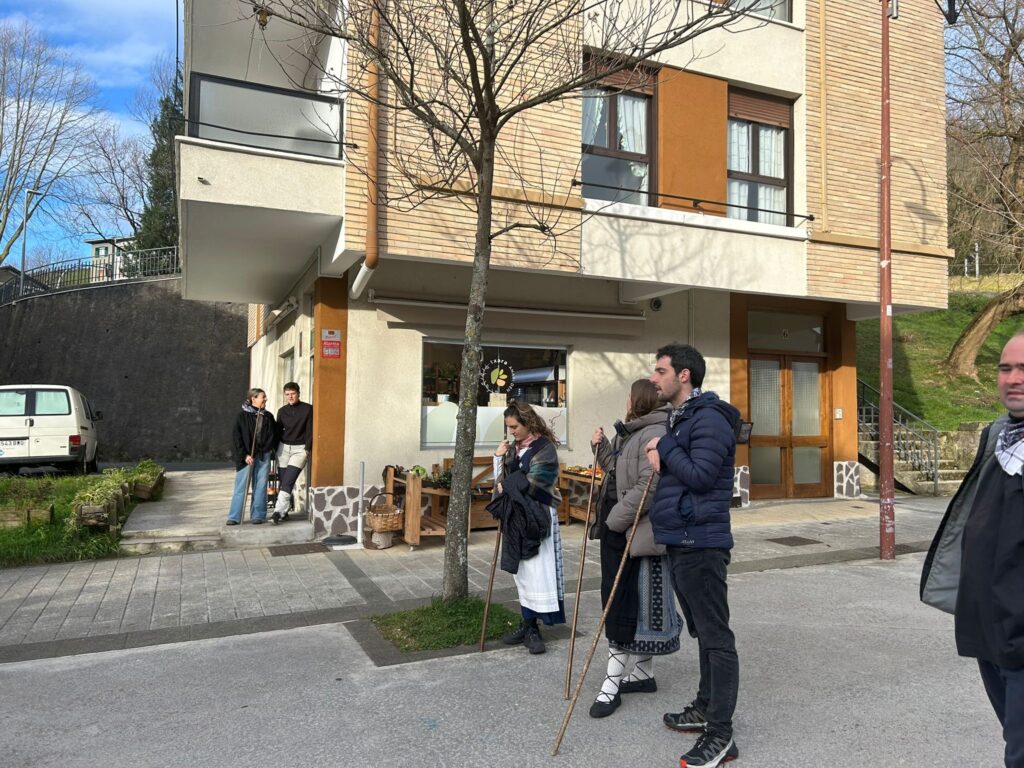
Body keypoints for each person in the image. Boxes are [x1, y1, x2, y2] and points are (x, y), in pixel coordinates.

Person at [921, 330, 1024, 767]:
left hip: (1020, 635)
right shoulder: (999, 437)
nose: (1013, 379)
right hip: (989, 630)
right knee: (1012, 738)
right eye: (1005, 368)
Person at [644, 343, 741, 768]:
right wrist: (666, 449)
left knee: (717, 638)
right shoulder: (682, 418)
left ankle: (721, 734)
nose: (654, 378)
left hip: (702, 543)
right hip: (683, 540)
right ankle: (704, 707)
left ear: (684, 375)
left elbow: (701, 477)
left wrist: (664, 447)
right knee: (703, 633)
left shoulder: (710, 419)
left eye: (661, 371)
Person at [588, 379, 681, 719]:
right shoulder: (630, 431)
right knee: (630, 601)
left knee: (621, 603)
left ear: (638, 400)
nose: (626, 401)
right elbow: (616, 470)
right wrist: (599, 447)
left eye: (630, 396)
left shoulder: (654, 432)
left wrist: (614, 519)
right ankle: (643, 673)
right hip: (621, 528)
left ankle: (611, 686)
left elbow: (649, 486)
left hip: (631, 531)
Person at [488, 400, 565, 655]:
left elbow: (540, 480)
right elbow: (502, 481)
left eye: (514, 427)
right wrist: (499, 458)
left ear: (528, 422)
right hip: (517, 516)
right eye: (508, 427)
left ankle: (534, 628)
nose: (511, 431)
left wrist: (509, 485)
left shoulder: (545, 448)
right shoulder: (514, 448)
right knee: (521, 572)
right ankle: (527, 623)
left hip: (539, 516)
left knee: (537, 572)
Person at [228, 387, 278, 525]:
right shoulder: (242, 416)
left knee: (261, 486)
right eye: (263, 397)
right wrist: (245, 455)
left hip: (263, 455)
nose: (266, 399)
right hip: (246, 457)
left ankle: (258, 515)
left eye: (265, 396)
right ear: (253, 399)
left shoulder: (268, 416)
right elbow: (236, 438)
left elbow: (273, 435)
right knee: (241, 487)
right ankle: (234, 517)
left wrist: (268, 449)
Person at [272, 381, 313, 524]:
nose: (290, 396)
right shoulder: (282, 411)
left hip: (299, 450)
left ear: (298, 393)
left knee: (288, 481)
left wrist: (307, 449)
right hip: (283, 449)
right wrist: (274, 449)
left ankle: (277, 511)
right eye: (287, 394)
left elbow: (310, 430)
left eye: (293, 393)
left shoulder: (308, 409)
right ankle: (284, 512)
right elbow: (277, 432)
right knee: (284, 482)